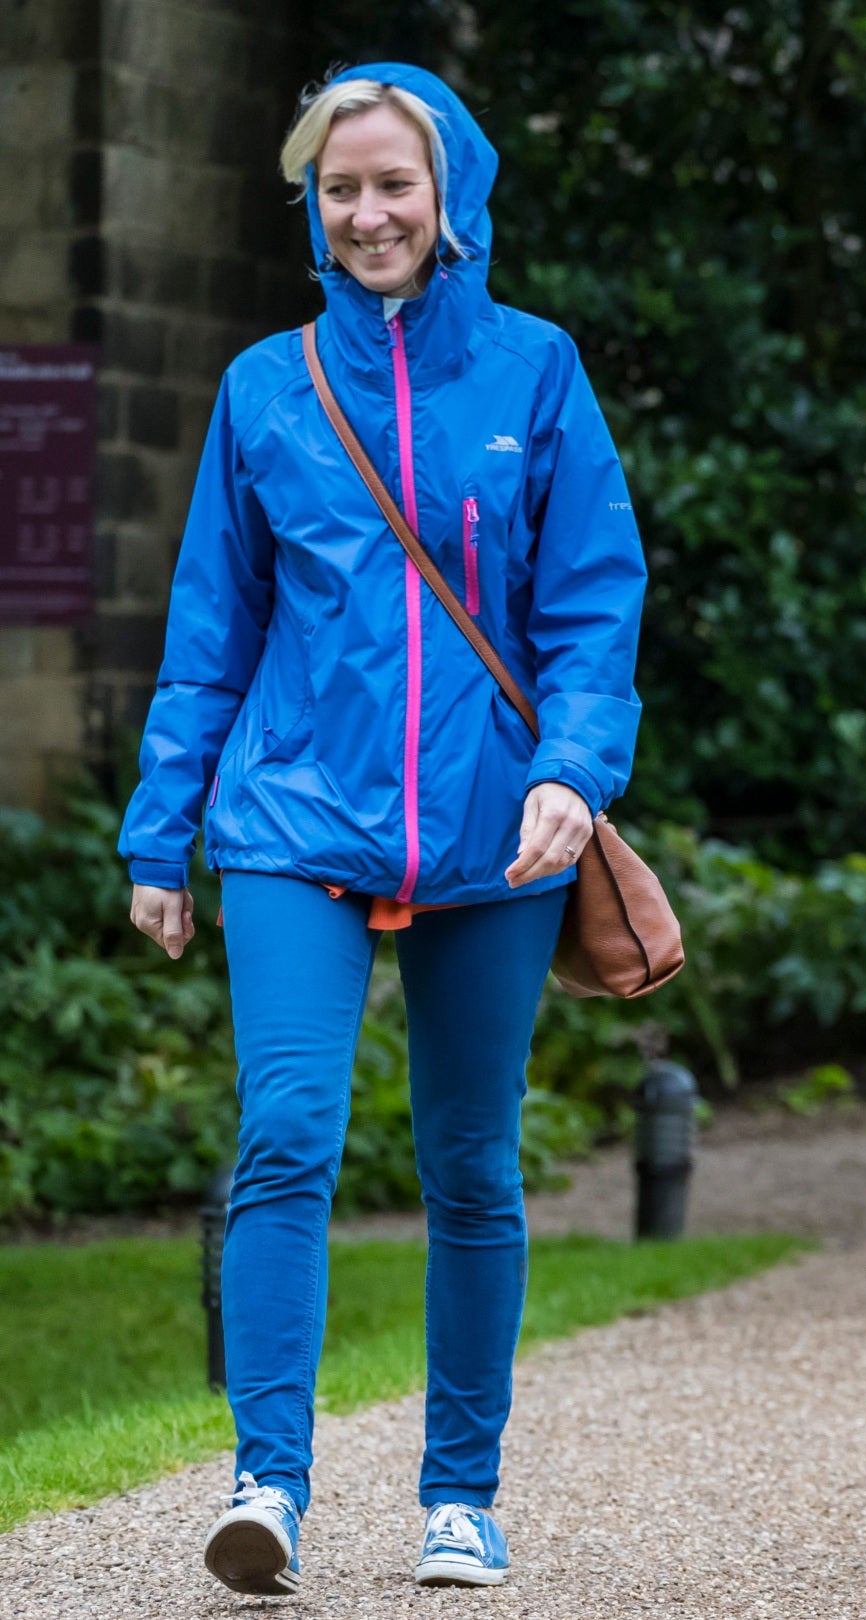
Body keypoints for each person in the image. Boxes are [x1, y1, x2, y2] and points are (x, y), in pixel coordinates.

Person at [116, 64, 645, 1596]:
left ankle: (460, 1494)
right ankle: (265, 1484)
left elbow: (592, 607)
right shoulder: (263, 389)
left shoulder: (538, 374)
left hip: (498, 829)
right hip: (293, 817)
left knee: (473, 1163)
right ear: (315, 206)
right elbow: (212, 625)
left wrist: (573, 767)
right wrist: (166, 835)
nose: (367, 214)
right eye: (340, 190)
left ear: (451, 193)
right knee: (285, 1134)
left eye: (392, 185)